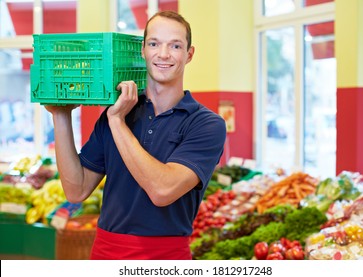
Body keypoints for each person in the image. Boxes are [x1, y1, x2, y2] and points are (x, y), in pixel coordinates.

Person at [44, 10, 227, 260]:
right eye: (154, 44)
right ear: (143, 50)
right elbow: (76, 190)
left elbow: (162, 191)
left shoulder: (206, 124)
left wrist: (118, 121)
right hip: (105, 253)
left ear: (189, 54)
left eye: (175, 45)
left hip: (165, 258)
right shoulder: (118, 111)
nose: (163, 54)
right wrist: (61, 116)